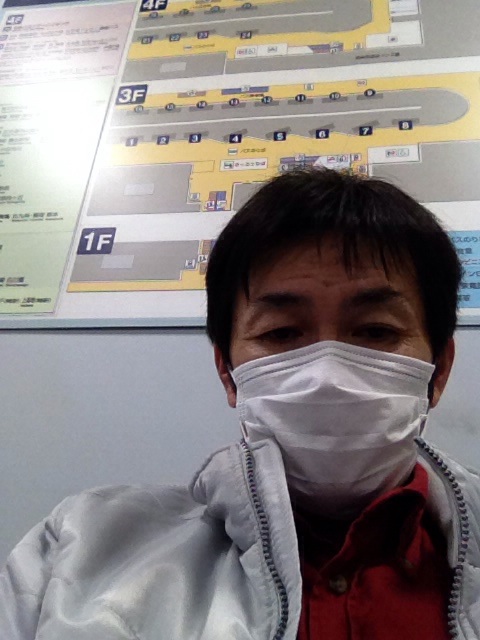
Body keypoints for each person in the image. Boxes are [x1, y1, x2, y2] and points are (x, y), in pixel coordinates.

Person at [1, 167, 479, 640]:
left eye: (376, 331)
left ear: (439, 369)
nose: (326, 376)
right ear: (227, 373)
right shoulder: (76, 551)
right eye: (281, 333)